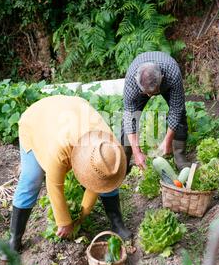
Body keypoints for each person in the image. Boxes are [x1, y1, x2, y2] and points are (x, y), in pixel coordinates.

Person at [9, 95, 132, 253]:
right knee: (32, 178)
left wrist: (82, 213)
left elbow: (99, 181)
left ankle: (117, 224)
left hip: (74, 110)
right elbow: (54, 185)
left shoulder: (109, 146)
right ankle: (14, 239)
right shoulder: (60, 150)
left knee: (108, 174)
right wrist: (64, 221)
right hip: (37, 121)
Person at [122, 51, 190, 172]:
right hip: (141, 86)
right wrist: (136, 152)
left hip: (166, 83)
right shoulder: (132, 80)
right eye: (146, 93)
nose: (149, 96)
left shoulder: (171, 72)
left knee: (180, 114)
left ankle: (179, 157)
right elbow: (129, 116)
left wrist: (167, 141)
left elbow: (176, 109)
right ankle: (124, 160)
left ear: (162, 78)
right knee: (126, 121)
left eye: (152, 93)